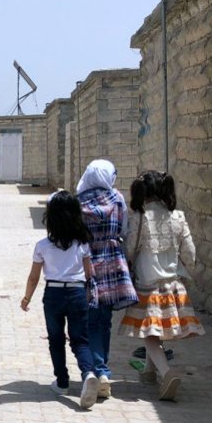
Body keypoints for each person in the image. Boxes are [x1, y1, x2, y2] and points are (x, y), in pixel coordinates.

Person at [119, 170, 204, 401]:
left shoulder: (139, 217)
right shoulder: (178, 216)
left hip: (147, 283)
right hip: (173, 283)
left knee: (149, 333)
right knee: (155, 328)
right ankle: (149, 371)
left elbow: (129, 250)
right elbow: (190, 253)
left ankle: (167, 373)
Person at [20, 190, 100, 409]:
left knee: (56, 339)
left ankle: (62, 381)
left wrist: (27, 298)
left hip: (53, 294)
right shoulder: (82, 244)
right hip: (77, 293)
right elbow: (89, 273)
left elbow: (34, 277)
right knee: (80, 340)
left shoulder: (42, 246)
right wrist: (89, 293)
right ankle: (88, 373)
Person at [76, 160, 138, 400]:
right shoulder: (117, 199)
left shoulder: (78, 202)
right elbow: (124, 231)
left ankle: (98, 369)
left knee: (91, 320)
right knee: (105, 321)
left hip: (88, 262)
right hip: (113, 262)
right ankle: (103, 372)